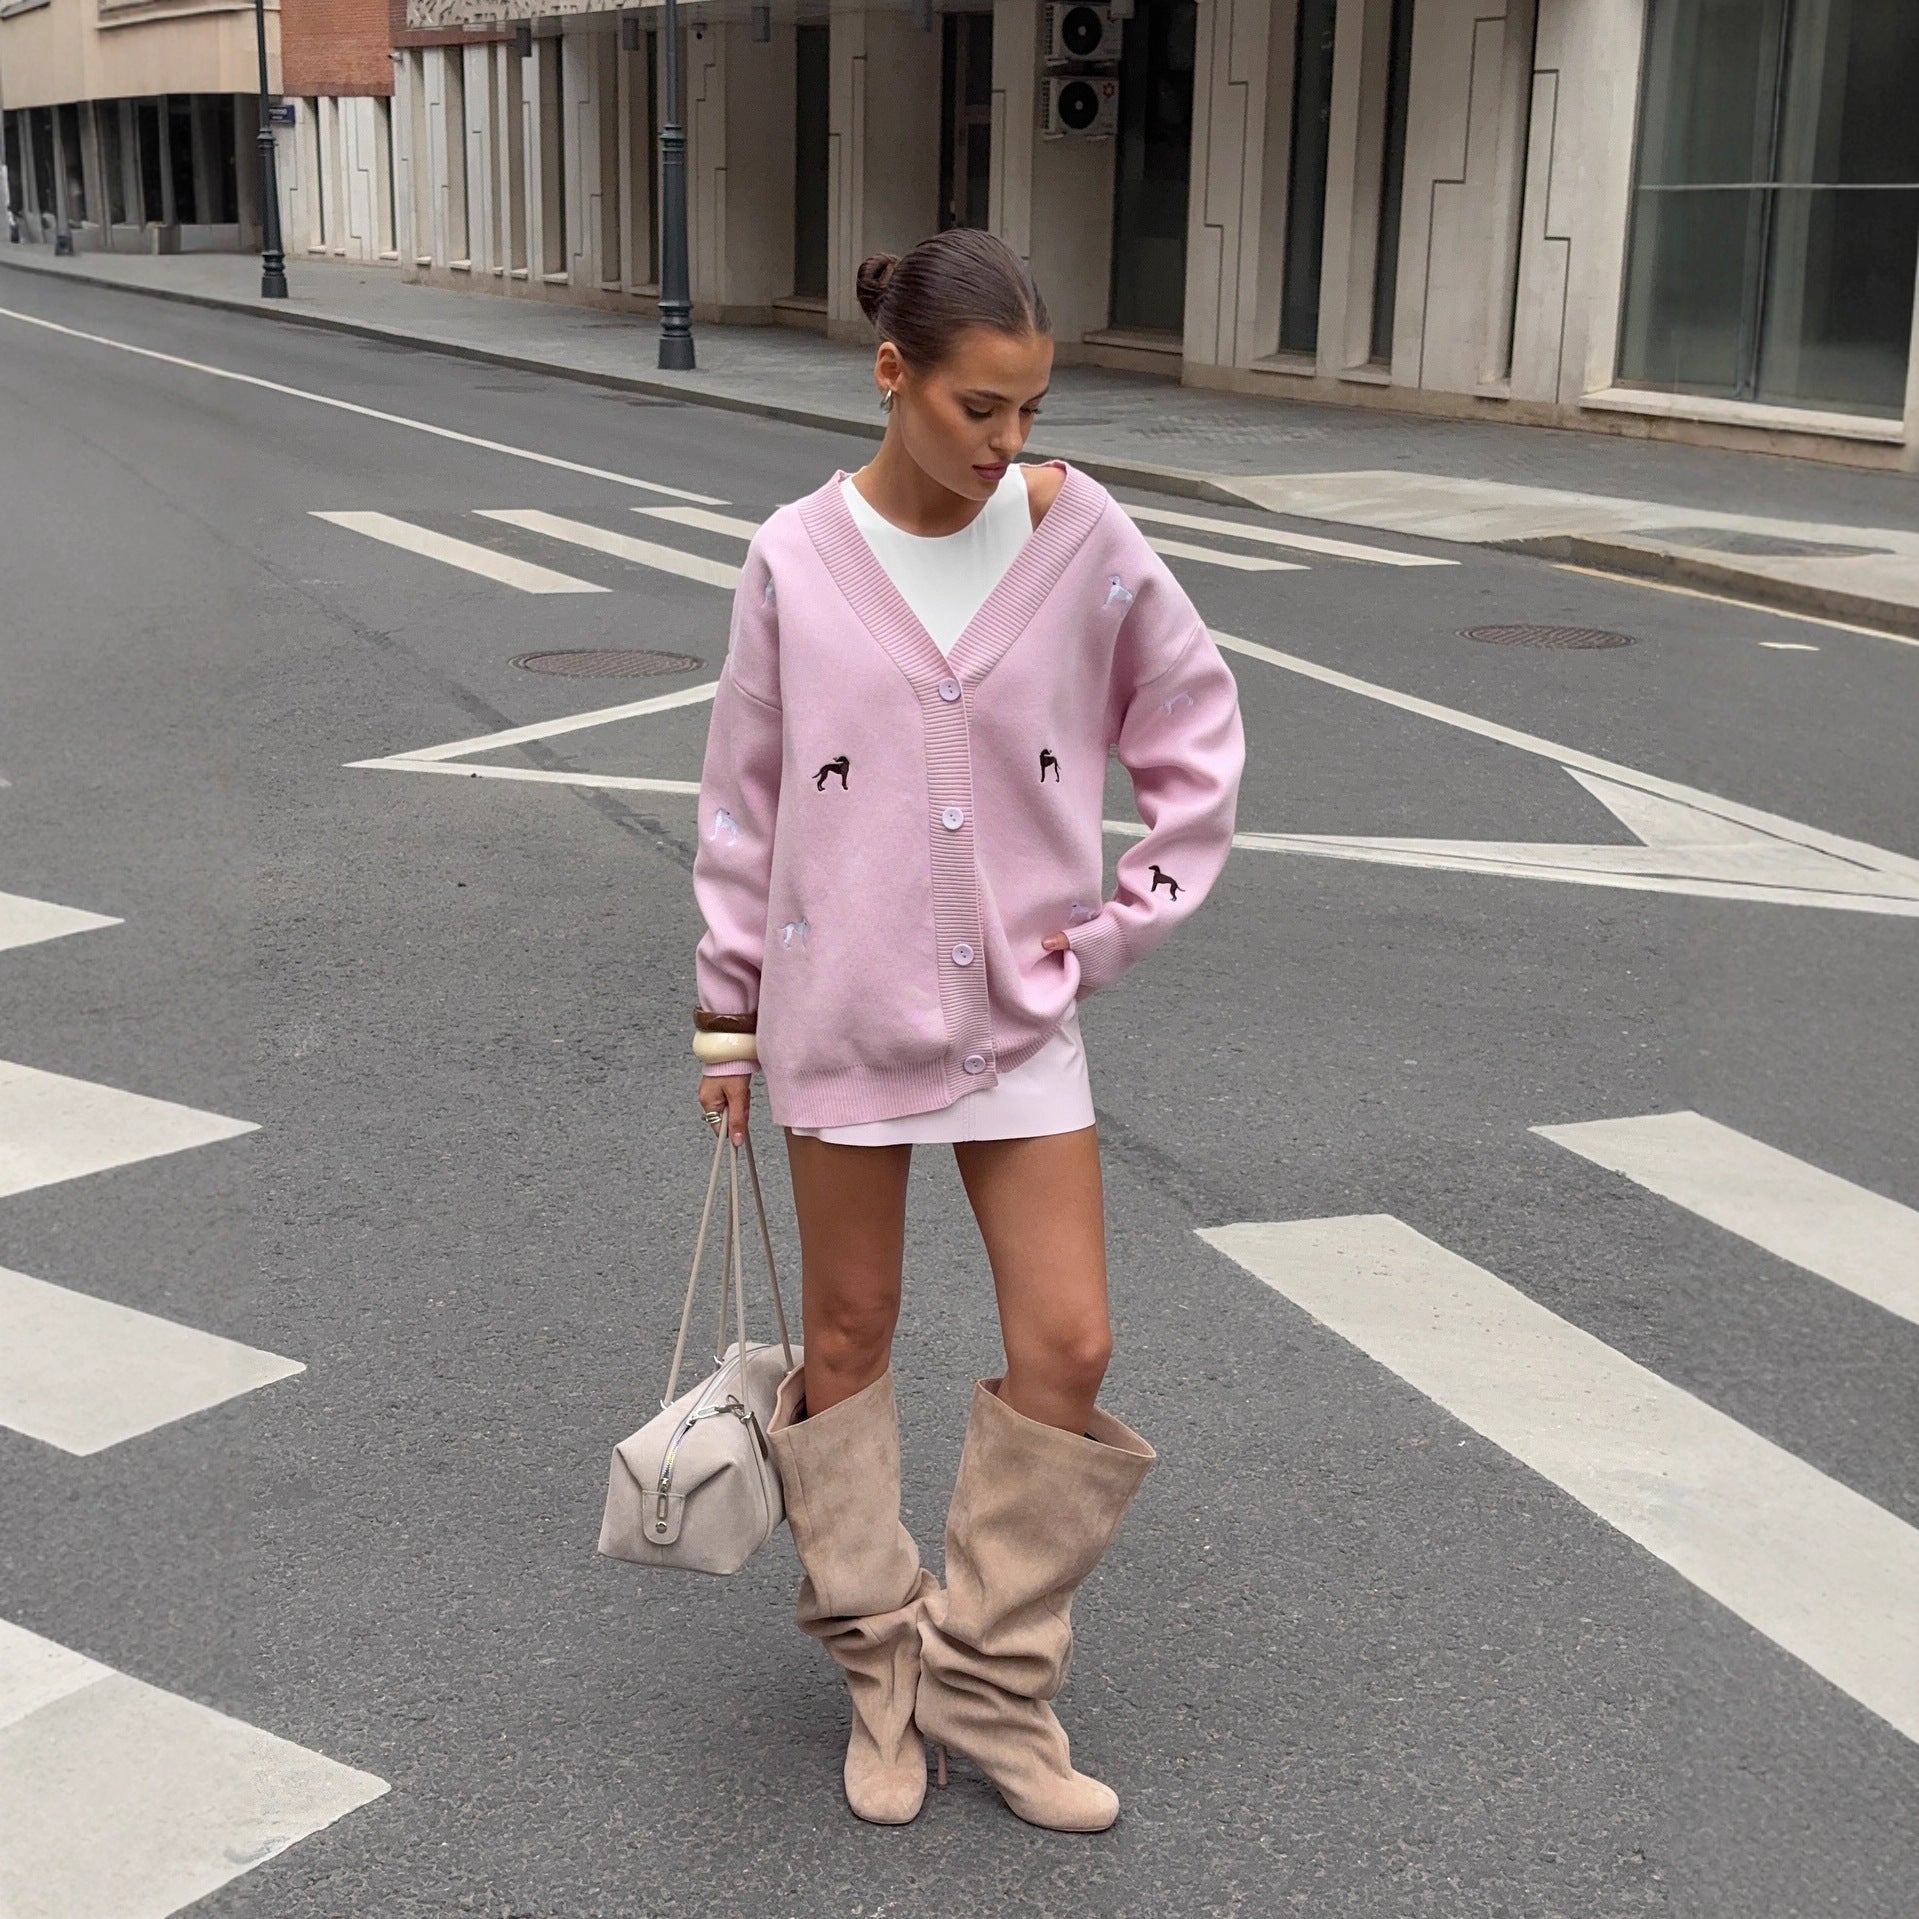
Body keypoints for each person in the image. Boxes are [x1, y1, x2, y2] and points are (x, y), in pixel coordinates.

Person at [691, 228, 1245, 1832]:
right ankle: (882, 1666)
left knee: (1070, 1344)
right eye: (978, 409)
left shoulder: (1082, 538)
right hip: (843, 1005)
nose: (1010, 442)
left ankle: (991, 1681)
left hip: (1022, 1016)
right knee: (848, 1341)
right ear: (894, 377)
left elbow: (1194, 723)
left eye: (1030, 409)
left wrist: (1121, 922)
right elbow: (741, 798)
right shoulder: (796, 558)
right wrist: (726, 1018)